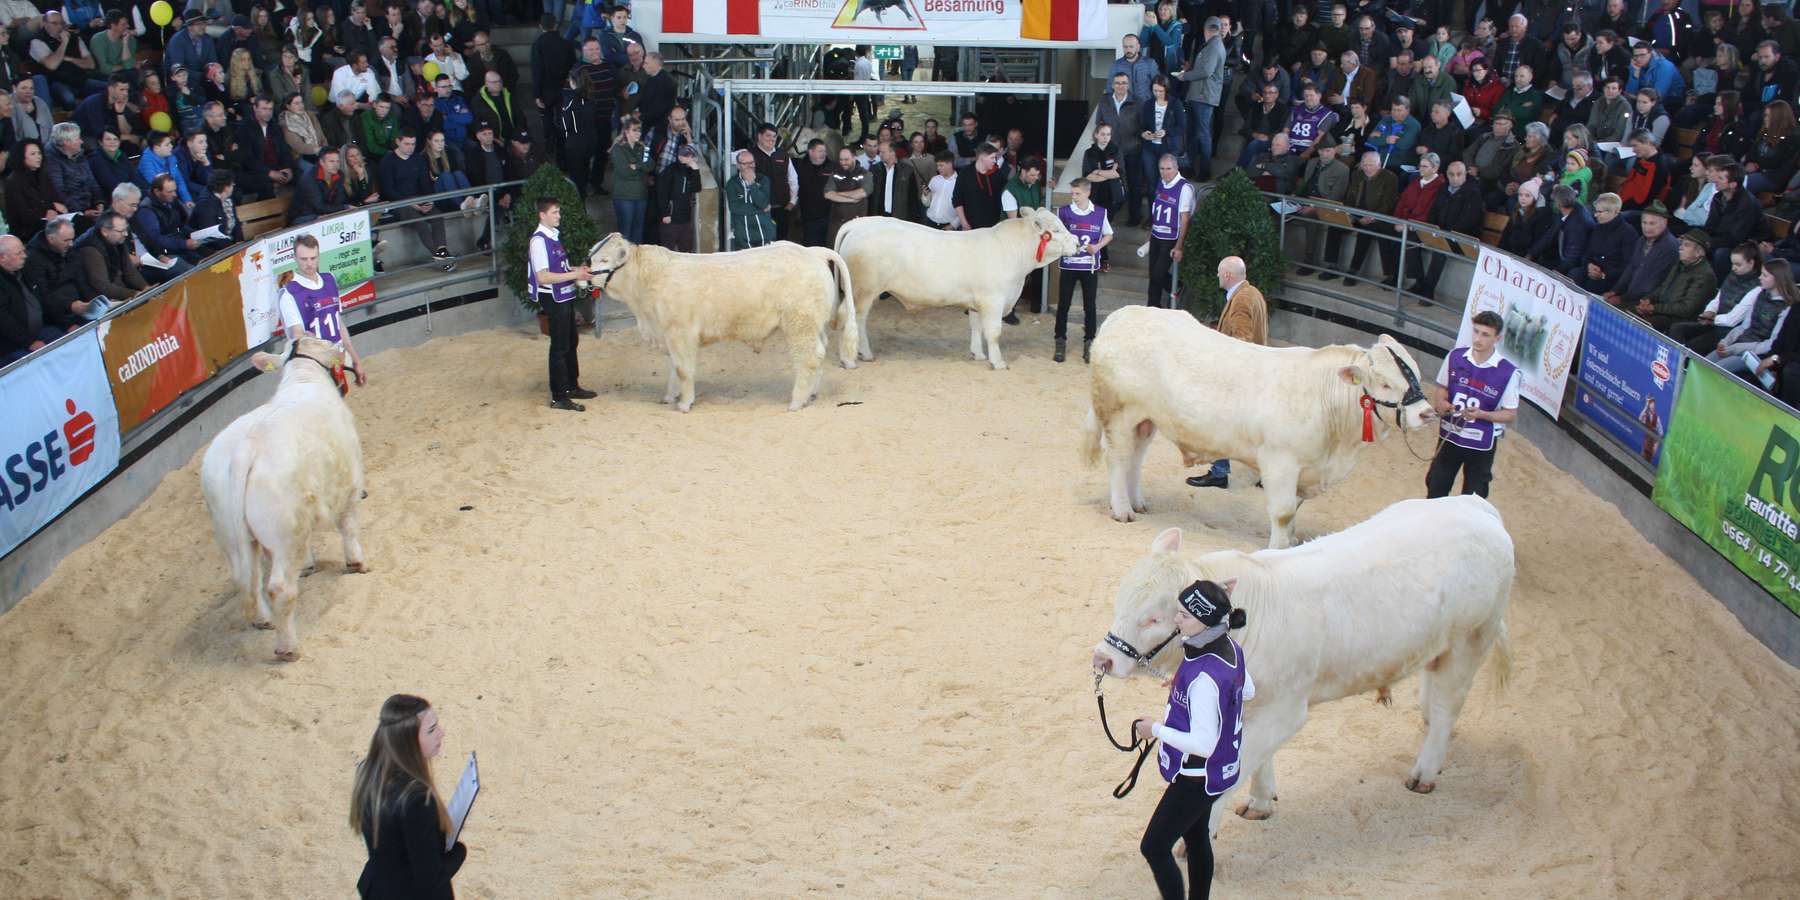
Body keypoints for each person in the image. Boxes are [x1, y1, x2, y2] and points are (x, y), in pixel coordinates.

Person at [1133, 579, 1252, 900]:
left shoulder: (1203, 678)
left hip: (1196, 776)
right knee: (1197, 836)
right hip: (1222, 770)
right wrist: (1186, 686)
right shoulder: (1230, 649)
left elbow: (1203, 744)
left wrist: (1154, 729)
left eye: (1184, 615)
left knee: (1154, 847)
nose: (1177, 619)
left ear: (1204, 620)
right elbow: (1247, 689)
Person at [350, 694, 466, 898]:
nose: (441, 733)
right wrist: (459, 853)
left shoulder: (369, 772)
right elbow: (430, 880)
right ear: (408, 742)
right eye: (431, 730)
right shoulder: (417, 800)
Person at [1188, 257, 1267, 490]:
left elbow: (1243, 340)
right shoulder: (1252, 293)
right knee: (1251, 429)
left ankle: (1220, 472)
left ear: (1228, 276)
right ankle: (1267, 472)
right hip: (1254, 372)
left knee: (1221, 423)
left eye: (1219, 272)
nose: (1217, 276)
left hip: (1239, 376)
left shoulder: (1241, 299)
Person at [1427, 310, 1522, 498]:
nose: (1478, 338)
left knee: (1474, 497)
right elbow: (1442, 387)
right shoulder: (1455, 357)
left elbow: (1510, 414)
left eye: (1485, 334)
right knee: (1436, 486)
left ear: (1498, 338)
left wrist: (1482, 415)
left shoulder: (1508, 372)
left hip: (1480, 444)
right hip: (1450, 435)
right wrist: (1441, 402)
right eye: (1476, 331)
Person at [528, 197, 595, 411]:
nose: (558, 216)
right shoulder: (539, 240)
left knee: (571, 340)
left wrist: (577, 271)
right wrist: (575, 273)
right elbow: (543, 277)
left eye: (558, 212)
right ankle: (559, 395)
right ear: (542, 215)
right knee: (559, 346)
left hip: (564, 294)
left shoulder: (553, 237)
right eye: (555, 212)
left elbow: (560, 268)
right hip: (553, 297)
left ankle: (571, 385)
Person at [279, 234, 365, 390]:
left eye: (313, 258)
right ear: (295, 258)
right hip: (313, 364)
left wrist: (355, 359)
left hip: (335, 359)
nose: (309, 264)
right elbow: (296, 334)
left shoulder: (330, 280)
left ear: (319, 256)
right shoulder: (290, 293)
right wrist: (307, 338)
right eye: (304, 259)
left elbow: (338, 323)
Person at [1054, 178, 1111, 365]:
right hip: (1069, 264)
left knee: (1090, 305)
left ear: (1088, 193)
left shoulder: (1100, 213)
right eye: (1072, 193)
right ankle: (1060, 342)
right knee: (1064, 304)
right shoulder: (1063, 212)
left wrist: (1098, 246)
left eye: (1077, 193)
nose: (1074, 197)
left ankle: (1089, 342)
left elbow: (1109, 234)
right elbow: (1056, 235)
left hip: (1089, 266)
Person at [0, 234, 60, 365]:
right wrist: (29, 342)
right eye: (19, 253)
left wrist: (66, 323)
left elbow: (45, 298)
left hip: (38, 330)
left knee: (64, 340)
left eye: (24, 250)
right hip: (12, 345)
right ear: (2, 258)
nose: (25, 255)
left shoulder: (23, 270)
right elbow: (4, 321)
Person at [1146, 153, 1192, 309]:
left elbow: (1185, 219)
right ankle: (1153, 306)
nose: (1165, 172)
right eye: (1162, 169)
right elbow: (1156, 210)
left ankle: (1178, 286)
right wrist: (1150, 234)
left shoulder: (1184, 188)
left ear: (1176, 168)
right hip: (1156, 234)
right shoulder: (1161, 182)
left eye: (1168, 169)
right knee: (1153, 273)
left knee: (1158, 273)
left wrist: (1179, 245)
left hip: (1170, 236)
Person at [727, 149, 778, 250]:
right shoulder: (732, 184)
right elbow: (735, 208)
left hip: (765, 232)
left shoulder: (763, 180)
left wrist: (752, 184)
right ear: (738, 165)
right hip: (743, 234)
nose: (750, 166)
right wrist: (760, 209)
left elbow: (764, 203)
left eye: (752, 162)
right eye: (745, 163)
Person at [656, 144, 702, 252]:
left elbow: (696, 188)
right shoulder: (670, 171)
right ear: (679, 156)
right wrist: (665, 214)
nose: (687, 158)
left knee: (686, 250)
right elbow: (662, 193)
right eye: (685, 155)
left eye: (690, 156)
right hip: (671, 219)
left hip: (685, 218)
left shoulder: (690, 170)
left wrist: (695, 170)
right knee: (667, 251)